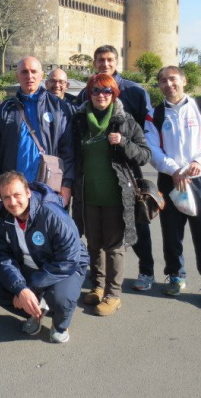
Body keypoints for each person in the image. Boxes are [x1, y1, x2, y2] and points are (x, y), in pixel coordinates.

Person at [145, 66, 201, 309]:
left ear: (183, 80)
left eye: (172, 79)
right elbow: (152, 148)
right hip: (169, 179)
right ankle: (175, 275)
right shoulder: (155, 114)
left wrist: (197, 162)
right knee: (171, 232)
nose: (168, 84)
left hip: (199, 179)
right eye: (162, 80)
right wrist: (174, 170)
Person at [75, 45, 156, 293]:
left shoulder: (135, 92)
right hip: (93, 182)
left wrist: (125, 143)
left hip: (126, 169)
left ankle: (146, 270)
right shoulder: (82, 101)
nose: (105, 63)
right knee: (95, 236)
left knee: (134, 224)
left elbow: (146, 139)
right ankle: (98, 283)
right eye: (100, 60)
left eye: (109, 59)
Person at [0, 172, 88, 344]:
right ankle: (35, 313)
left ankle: (60, 325)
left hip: (64, 267)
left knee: (60, 299)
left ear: (28, 192)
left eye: (17, 195)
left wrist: (30, 287)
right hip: (30, 266)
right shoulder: (0, 219)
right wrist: (21, 288)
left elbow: (68, 260)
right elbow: (0, 257)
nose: (12, 202)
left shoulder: (53, 215)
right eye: (6, 197)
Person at [0, 56, 74, 207]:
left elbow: (68, 150)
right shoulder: (5, 109)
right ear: (17, 75)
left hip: (49, 189)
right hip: (14, 191)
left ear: (41, 75)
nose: (29, 76)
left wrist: (66, 186)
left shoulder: (59, 108)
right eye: (24, 72)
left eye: (34, 72)